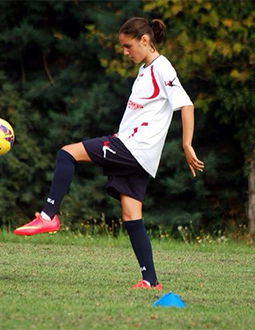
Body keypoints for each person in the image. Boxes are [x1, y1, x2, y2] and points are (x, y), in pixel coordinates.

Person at [13, 17, 205, 289]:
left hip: (133, 148)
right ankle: (150, 280)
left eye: (128, 46)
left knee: (67, 153)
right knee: (131, 214)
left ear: (145, 41)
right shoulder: (145, 69)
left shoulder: (162, 67)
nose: (125, 52)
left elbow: (186, 105)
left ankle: (48, 216)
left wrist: (187, 145)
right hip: (138, 154)